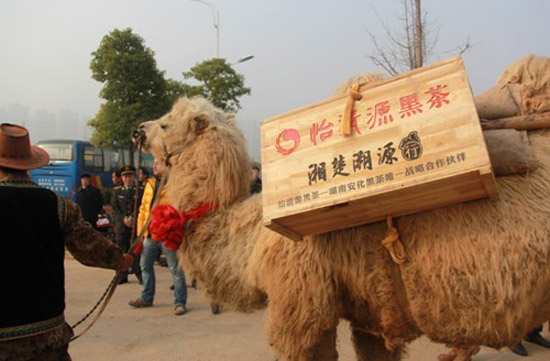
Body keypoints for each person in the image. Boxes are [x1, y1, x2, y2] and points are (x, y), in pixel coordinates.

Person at [0, 123, 133, 361]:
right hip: (47, 337)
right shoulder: (58, 205)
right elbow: (90, 248)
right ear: (29, 165)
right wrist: (120, 261)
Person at [128, 158, 188, 316]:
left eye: (158, 163)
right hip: (150, 235)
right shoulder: (149, 184)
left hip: (168, 236)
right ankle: (147, 297)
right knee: (145, 266)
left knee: (175, 269)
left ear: (167, 165)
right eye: (153, 164)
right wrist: (140, 233)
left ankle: (180, 302)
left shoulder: (175, 184)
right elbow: (142, 210)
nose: (154, 166)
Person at [111, 165, 143, 284]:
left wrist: (132, 218)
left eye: (129, 177)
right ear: (122, 178)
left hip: (135, 226)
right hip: (121, 226)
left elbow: (141, 207)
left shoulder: (139, 190)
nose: (127, 179)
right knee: (121, 252)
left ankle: (139, 274)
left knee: (136, 251)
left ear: (133, 177)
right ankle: (122, 276)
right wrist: (124, 219)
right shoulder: (116, 191)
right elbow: (115, 208)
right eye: (125, 177)